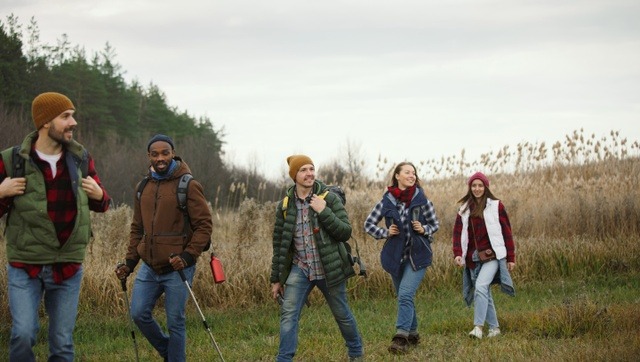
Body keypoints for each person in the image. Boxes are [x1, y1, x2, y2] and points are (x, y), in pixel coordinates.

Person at [0, 92, 111, 361]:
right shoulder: (12, 160)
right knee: (23, 335)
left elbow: (102, 203)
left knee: (62, 344)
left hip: (68, 266)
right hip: (25, 265)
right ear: (45, 122)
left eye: (72, 115)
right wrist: (0, 192)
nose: (73, 122)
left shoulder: (81, 158)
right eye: (66, 116)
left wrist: (100, 196)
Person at [115, 134, 213, 362]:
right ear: (148, 156)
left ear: (173, 154)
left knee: (175, 321)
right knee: (138, 313)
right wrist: (129, 263)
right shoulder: (143, 187)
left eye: (165, 153)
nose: (160, 158)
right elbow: (137, 228)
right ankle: (171, 353)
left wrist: (188, 257)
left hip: (179, 267)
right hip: (149, 267)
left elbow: (204, 226)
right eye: (155, 154)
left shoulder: (188, 184)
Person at [270, 155, 364, 362]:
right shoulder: (285, 206)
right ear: (294, 175)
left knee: (342, 314)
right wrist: (276, 279)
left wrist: (324, 211)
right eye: (303, 169)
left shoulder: (328, 198)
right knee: (288, 316)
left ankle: (356, 353)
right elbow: (279, 245)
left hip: (328, 268)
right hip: (300, 269)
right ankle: (283, 359)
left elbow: (345, 232)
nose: (309, 173)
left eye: (311, 168)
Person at [364, 161, 439, 354]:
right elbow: (368, 224)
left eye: (414, 173)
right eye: (407, 172)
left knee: (405, 294)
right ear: (397, 176)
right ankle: (413, 334)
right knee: (404, 297)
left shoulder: (422, 200)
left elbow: (435, 224)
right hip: (395, 257)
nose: (412, 175)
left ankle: (400, 339)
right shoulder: (386, 201)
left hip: (418, 255)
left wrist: (424, 229)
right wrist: (385, 232)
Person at [451, 171, 516, 339]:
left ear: (486, 187)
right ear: (470, 187)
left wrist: (511, 257)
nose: (477, 188)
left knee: (480, 287)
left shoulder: (496, 206)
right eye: (474, 185)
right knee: (483, 290)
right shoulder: (464, 209)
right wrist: (458, 254)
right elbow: (457, 233)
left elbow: (507, 232)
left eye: (480, 185)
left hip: (492, 256)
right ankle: (494, 328)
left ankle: (478, 328)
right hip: (472, 258)